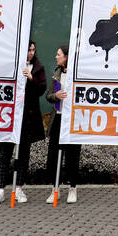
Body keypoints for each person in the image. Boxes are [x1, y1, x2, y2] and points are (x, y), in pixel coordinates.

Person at [0, 40, 47, 205]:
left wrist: (31, 78)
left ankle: (19, 188)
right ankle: (0, 190)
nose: (31, 53)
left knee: (23, 155)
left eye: (33, 50)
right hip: (8, 117)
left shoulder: (38, 67)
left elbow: (41, 89)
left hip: (27, 119)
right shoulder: (11, 65)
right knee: (4, 154)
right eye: (29, 50)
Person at [45, 46, 81, 203]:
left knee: (72, 155)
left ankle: (72, 188)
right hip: (58, 118)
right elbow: (48, 96)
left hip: (72, 120)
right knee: (54, 155)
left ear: (66, 57)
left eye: (58, 54)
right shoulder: (57, 74)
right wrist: (56, 96)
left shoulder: (78, 75)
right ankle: (55, 189)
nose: (56, 57)